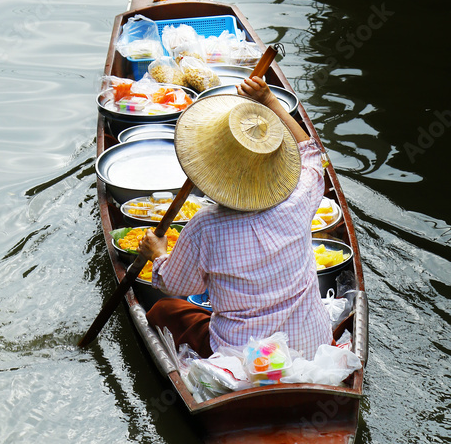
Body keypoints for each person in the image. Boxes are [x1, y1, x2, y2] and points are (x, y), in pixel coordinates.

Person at [139, 77, 333, 359]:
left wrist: (157, 254)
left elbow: (177, 285)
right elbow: (313, 154)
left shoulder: (205, 226)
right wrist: (269, 100)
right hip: (311, 345)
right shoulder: (299, 198)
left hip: (245, 358)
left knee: (164, 309)